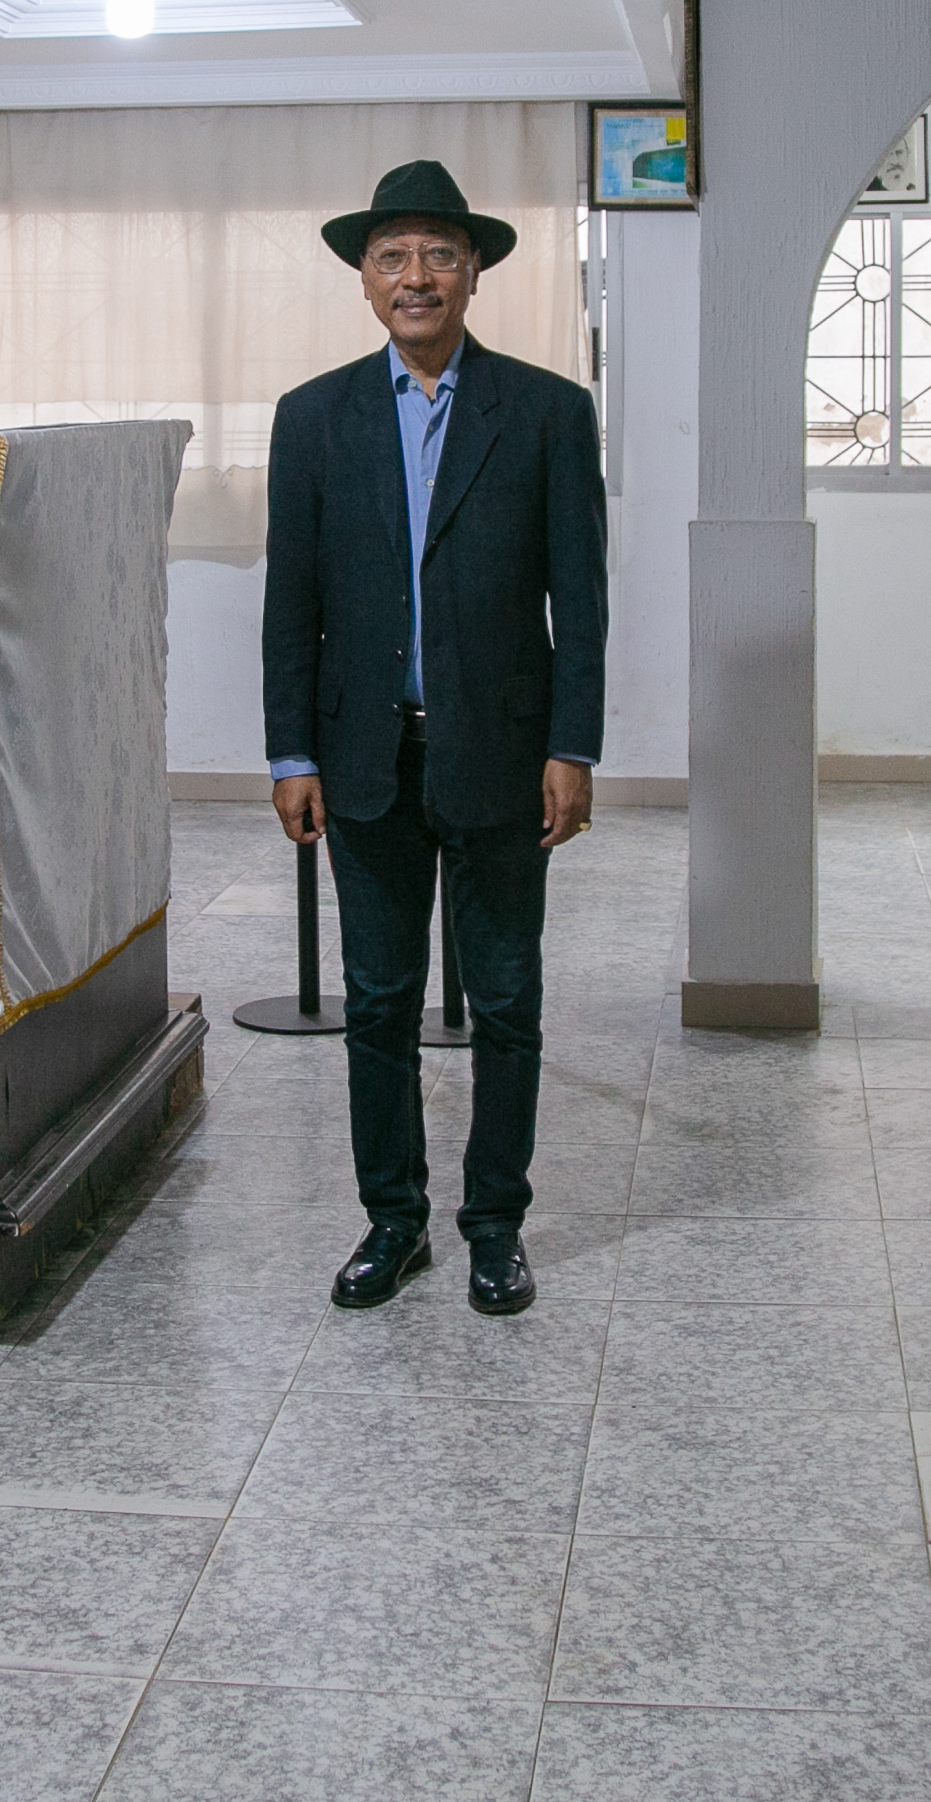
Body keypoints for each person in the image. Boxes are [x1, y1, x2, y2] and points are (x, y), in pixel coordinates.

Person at [263, 161, 606, 1317]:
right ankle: (392, 1219)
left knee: (506, 998)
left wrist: (574, 743)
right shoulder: (312, 417)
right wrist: (289, 752)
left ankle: (495, 1223)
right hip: (363, 755)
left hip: (504, 752)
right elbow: (291, 600)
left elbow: (583, 599)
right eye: (392, 257)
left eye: (438, 255)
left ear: (475, 273)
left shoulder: (549, 411)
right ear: (365, 280)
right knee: (376, 999)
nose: (416, 276)